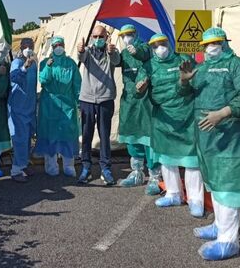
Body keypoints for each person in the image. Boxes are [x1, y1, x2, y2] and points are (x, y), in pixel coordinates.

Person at [178, 27, 240, 261]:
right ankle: (219, 225)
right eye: (206, 45)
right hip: (207, 138)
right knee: (214, 182)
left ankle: (228, 241)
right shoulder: (202, 69)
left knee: (228, 186)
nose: (210, 48)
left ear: (224, 42)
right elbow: (187, 94)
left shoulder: (239, 65)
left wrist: (223, 113)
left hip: (231, 137)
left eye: (215, 43)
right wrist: (184, 81)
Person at [139, 33, 204, 217]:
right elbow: (139, 90)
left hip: (186, 115)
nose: (160, 48)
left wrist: (185, 81)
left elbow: (197, 81)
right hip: (163, 118)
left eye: (163, 43)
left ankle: (195, 199)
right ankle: (173, 193)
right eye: (156, 45)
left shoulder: (183, 60)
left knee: (191, 160)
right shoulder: (148, 66)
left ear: (169, 43)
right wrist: (140, 88)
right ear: (151, 49)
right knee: (166, 158)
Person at [115, 24, 161, 194]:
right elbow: (116, 61)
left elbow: (143, 54)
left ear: (135, 34)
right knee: (132, 137)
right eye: (123, 35)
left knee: (148, 138)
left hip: (145, 102)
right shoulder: (124, 52)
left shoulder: (146, 48)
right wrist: (112, 53)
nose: (126, 38)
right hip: (129, 100)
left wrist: (137, 52)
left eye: (129, 34)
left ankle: (155, 175)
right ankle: (136, 172)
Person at [77, 25, 121, 185]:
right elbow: (81, 56)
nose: (97, 39)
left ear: (107, 37)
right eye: (95, 36)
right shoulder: (88, 52)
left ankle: (106, 168)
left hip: (105, 99)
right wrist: (80, 50)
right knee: (87, 135)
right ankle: (86, 167)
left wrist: (111, 51)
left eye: (100, 36)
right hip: (87, 99)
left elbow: (117, 60)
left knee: (104, 135)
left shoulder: (111, 52)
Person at [34, 36, 81, 177]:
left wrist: (79, 103)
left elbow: (77, 84)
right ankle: (51, 165)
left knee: (68, 133)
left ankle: (68, 165)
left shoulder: (71, 63)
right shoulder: (45, 63)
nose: (58, 47)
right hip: (50, 103)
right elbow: (43, 80)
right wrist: (48, 67)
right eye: (56, 45)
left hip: (67, 103)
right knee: (50, 133)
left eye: (61, 44)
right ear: (52, 47)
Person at [8, 38, 38, 183]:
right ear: (20, 48)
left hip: (30, 106)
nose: (28, 48)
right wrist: (24, 68)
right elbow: (13, 77)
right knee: (19, 139)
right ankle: (15, 170)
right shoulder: (17, 63)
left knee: (27, 139)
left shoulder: (34, 64)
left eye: (30, 46)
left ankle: (23, 164)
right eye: (25, 46)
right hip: (18, 107)